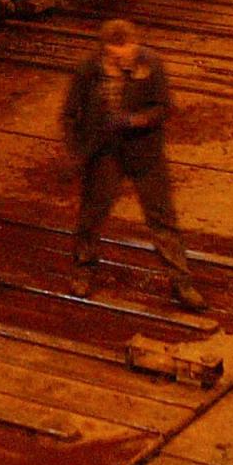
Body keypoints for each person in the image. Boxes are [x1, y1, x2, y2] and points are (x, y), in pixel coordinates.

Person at [62, 18, 205, 311]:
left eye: (129, 51)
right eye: (118, 55)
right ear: (105, 51)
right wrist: (76, 151)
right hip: (104, 153)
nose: (126, 60)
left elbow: (164, 107)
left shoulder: (149, 64)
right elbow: (69, 113)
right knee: (92, 215)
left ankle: (182, 283)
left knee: (162, 218)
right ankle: (83, 270)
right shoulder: (88, 70)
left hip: (145, 153)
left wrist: (135, 120)